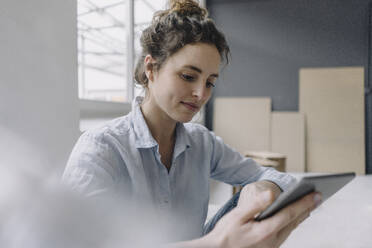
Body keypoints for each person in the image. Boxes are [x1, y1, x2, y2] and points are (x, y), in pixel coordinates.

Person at [62, 0, 322, 247]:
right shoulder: (101, 148)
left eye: (210, 82)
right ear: (151, 69)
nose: (201, 94)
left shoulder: (202, 142)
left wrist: (262, 187)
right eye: (188, 76)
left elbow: (278, 178)